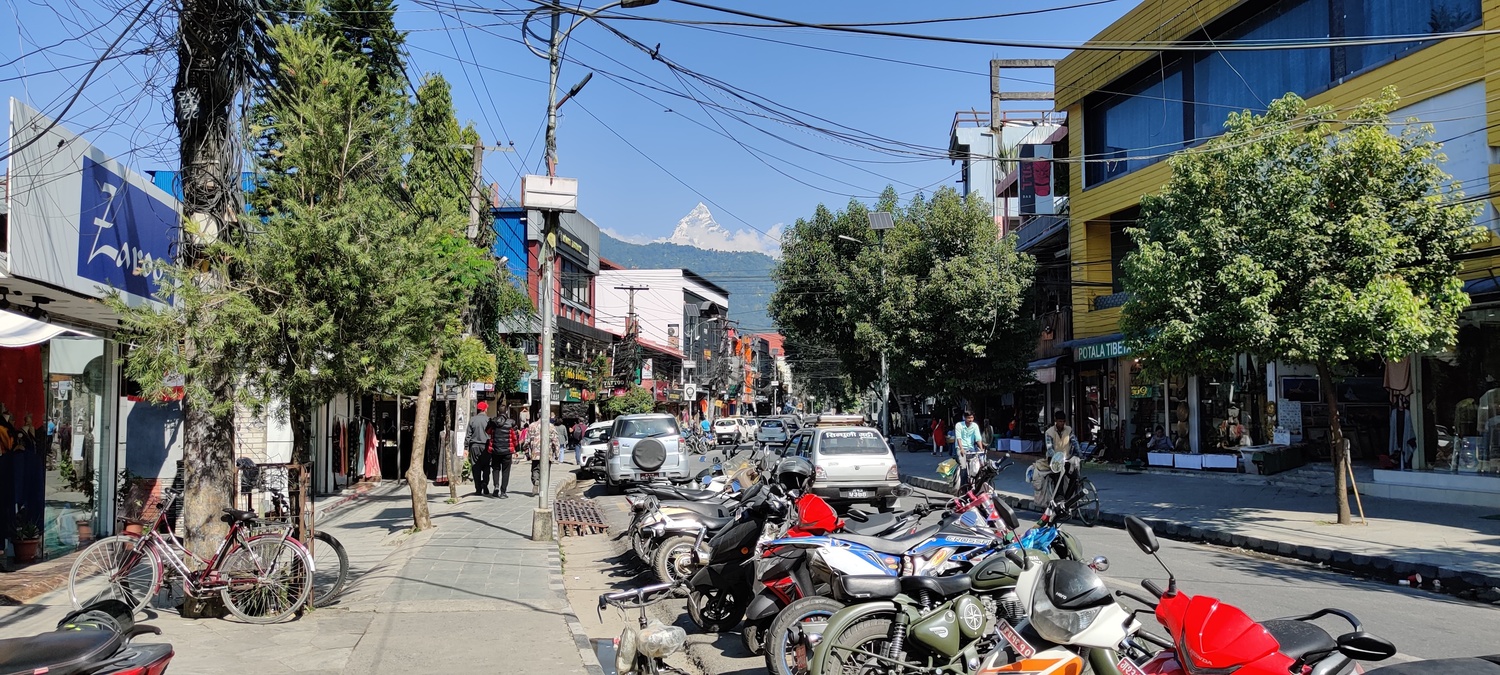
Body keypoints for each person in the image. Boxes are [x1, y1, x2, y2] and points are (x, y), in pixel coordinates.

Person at [1041, 410, 1080, 506]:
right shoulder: (1049, 432)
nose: (1061, 423)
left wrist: (1080, 454)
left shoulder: (1069, 430)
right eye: (1059, 421)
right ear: (1056, 421)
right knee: (1058, 475)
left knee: (1075, 476)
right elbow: (1049, 448)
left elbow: (1074, 442)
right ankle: (1059, 496)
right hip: (1053, 459)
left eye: (1063, 421)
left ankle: (1067, 499)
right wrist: (1057, 458)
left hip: (1066, 458)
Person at [528, 416, 561, 495]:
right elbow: (555, 440)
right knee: (546, 471)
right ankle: (544, 489)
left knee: (535, 469)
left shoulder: (532, 425)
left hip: (535, 452)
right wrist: (557, 453)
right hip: (547, 452)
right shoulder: (550, 426)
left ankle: (536, 480)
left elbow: (527, 439)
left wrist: (526, 449)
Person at [466, 402, 492, 496]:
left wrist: (466, 447)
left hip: (474, 446)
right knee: (486, 466)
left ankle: (478, 489)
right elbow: (491, 434)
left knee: (475, 467)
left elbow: (468, 435)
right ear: (485, 409)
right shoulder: (489, 420)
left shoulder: (472, 420)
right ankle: (485, 483)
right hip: (486, 445)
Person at [954, 411, 985, 481]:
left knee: (977, 465)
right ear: (964, 418)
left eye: (972, 418)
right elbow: (958, 438)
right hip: (961, 448)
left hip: (971, 449)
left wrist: (981, 449)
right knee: (963, 466)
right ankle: (963, 485)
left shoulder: (975, 426)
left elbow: (978, 438)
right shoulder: (959, 425)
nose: (970, 420)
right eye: (968, 418)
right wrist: (961, 449)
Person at [493, 418, 517, 498]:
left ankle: (496, 486)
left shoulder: (494, 423)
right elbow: (514, 437)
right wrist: (515, 448)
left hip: (496, 450)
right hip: (507, 451)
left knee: (496, 469)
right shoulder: (510, 423)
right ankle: (503, 492)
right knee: (505, 472)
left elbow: (488, 432)